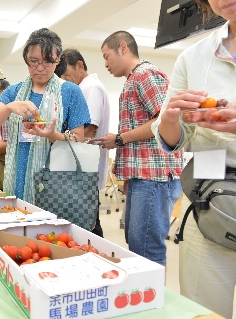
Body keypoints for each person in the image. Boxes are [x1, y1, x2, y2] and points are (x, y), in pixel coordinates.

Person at [151, 1, 236, 316]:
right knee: (203, 308)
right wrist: (170, 120)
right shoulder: (194, 57)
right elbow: (173, 138)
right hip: (208, 200)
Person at [96, 31, 183, 266]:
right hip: (142, 176)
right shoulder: (133, 79)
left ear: (123, 48)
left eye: (107, 56)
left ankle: (153, 301)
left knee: (147, 249)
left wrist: (120, 139)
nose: (105, 64)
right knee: (136, 244)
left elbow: (164, 121)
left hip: (154, 177)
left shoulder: (146, 75)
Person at [0, 28, 91, 202]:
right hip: (18, 175)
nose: (40, 68)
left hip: (55, 179)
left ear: (58, 60)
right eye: (34, 61)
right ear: (26, 60)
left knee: (47, 227)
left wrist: (52, 134)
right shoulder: (15, 91)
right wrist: (10, 107)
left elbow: (78, 139)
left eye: (47, 61)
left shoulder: (71, 91)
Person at [57, 48, 111, 238]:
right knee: (85, 222)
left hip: (85, 169)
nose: (65, 80)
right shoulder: (84, 88)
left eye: (66, 74)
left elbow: (89, 129)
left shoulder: (90, 88)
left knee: (89, 227)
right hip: (84, 168)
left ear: (79, 65)